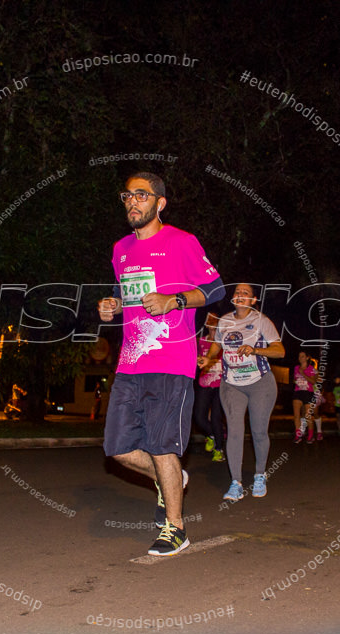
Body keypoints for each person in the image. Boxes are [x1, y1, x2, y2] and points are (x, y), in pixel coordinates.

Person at [98, 172, 224, 557]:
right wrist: (113, 306)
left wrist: (175, 302)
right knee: (117, 448)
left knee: (162, 445)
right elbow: (128, 297)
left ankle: (176, 528)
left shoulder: (182, 242)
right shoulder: (121, 249)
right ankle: (171, 480)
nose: (133, 202)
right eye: (128, 196)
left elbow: (215, 288)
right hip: (130, 363)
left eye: (141, 195)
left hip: (172, 361)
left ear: (160, 202)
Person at [198, 283, 285, 500]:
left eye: (246, 293)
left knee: (258, 431)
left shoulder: (261, 321)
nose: (240, 295)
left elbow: (280, 351)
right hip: (232, 384)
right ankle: (235, 482)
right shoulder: (225, 321)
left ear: (253, 300)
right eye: (237, 292)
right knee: (235, 432)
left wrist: (255, 349)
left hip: (260, 383)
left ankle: (259, 475)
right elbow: (217, 344)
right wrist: (209, 358)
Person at [192, 312, 226, 462]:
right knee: (199, 416)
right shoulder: (201, 342)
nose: (213, 327)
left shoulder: (223, 342)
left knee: (216, 418)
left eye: (215, 323)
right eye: (210, 323)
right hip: (204, 383)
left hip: (220, 384)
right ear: (206, 325)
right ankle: (213, 435)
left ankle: (219, 449)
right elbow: (194, 360)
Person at [291, 351, 320, 443]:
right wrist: (296, 381)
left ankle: (310, 436)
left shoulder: (312, 369)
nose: (300, 358)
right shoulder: (296, 368)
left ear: (307, 358)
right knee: (296, 415)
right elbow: (295, 379)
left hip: (308, 393)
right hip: (298, 392)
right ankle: (298, 435)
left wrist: (303, 374)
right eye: (299, 356)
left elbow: (313, 382)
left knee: (308, 416)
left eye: (302, 356)